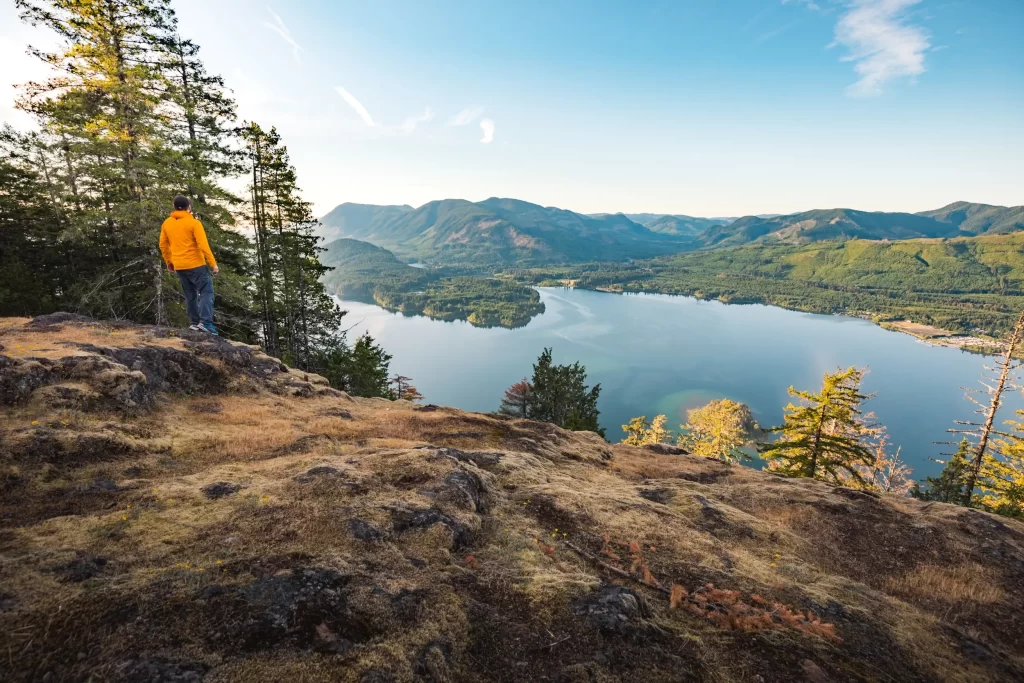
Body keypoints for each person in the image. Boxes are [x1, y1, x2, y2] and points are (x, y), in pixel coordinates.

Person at [159, 195, 220, 335]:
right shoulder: (194, 223)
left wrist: (169, 261)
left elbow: (163, 245)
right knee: (206, 291)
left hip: (179, 266)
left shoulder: (167, 223)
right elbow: (203, 245)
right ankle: (206, 323)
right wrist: (213, 263)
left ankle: (194, 323)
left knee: (190, 294)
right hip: (196, 264)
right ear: (189, 208)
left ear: (174, 207)